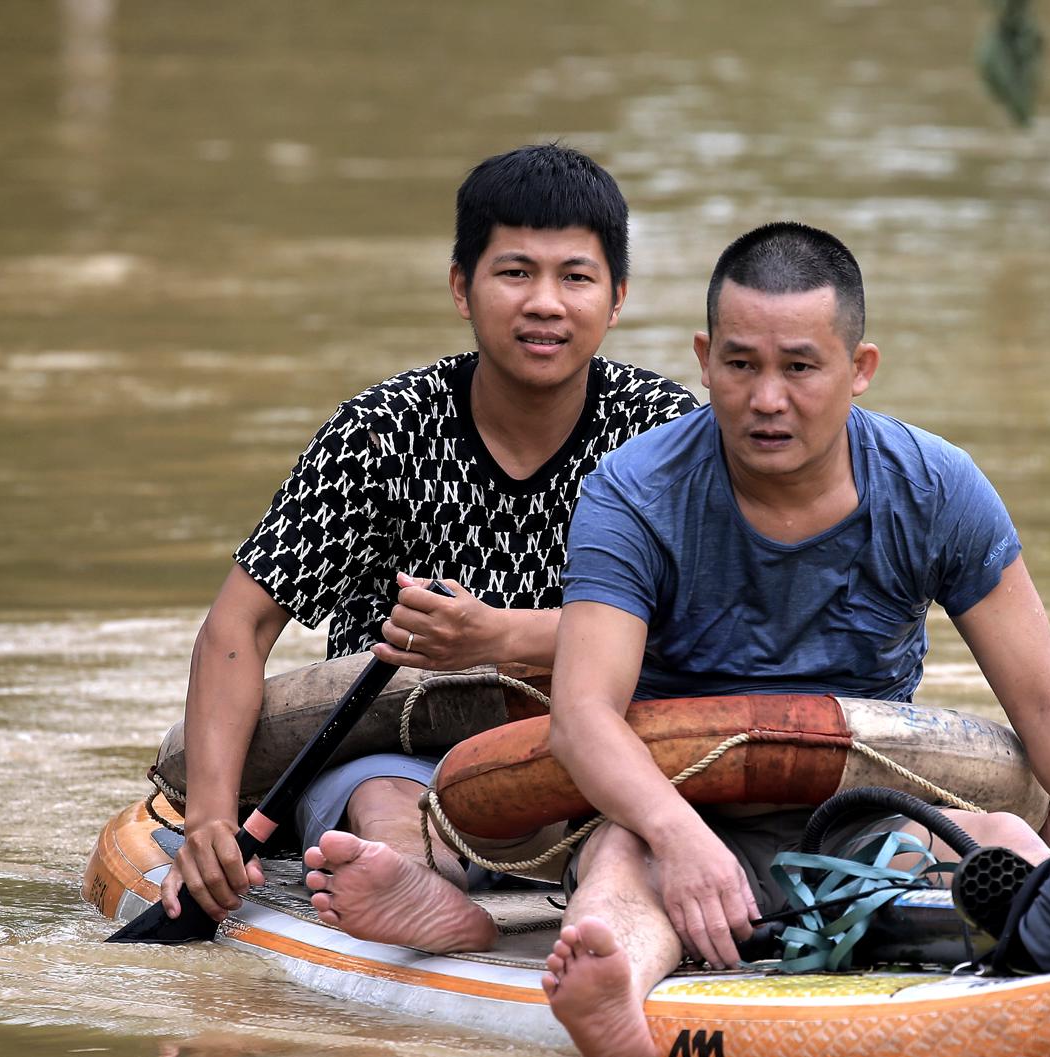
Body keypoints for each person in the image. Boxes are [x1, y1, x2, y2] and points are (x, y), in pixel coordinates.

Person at [536, 222, 1050, 1057]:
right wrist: (680, 837)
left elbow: (1046, 701)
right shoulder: (634, 492)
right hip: (683, 809)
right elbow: (582, 715)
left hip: (863, 813)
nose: (767, 398)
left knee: (1004, 843)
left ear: (859, 369)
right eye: (740, 365)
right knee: (620, 861)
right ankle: (615, 993)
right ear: (704, 359)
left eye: (800, 367)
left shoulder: (936, 488)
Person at [160, 144, 698, 954]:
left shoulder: (664, 434)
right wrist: (208, 821)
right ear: (461, 288)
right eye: (515, 272)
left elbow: (710, 623)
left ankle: (607, 910)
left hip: (598, 747)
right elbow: (238, 627)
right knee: (383, 805)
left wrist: (501, 638)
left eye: (577, 278)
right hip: (399, 750)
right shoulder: (381, 432)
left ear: (617, 299)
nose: (546, 303)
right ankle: (411, 887)